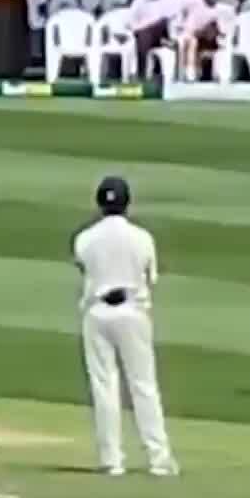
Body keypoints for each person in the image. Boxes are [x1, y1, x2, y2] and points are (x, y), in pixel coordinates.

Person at [73, 176, 179, 477]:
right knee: (143, 385)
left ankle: (111, 460)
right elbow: (151, 277)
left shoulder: (84, 238)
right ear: (127, 203)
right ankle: (159, 459)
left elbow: (84, 268)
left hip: (97, 312)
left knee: (103, 386)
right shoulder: (143, 238)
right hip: (133, 310)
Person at [128, 0, 182, 78]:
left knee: (158, 24)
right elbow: (131, 21)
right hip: (143, 35)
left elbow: (170, 18)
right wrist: (139, 29)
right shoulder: (139, 1)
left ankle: (141, 73)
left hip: (163, 33)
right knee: (143, 36)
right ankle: (141, 73)